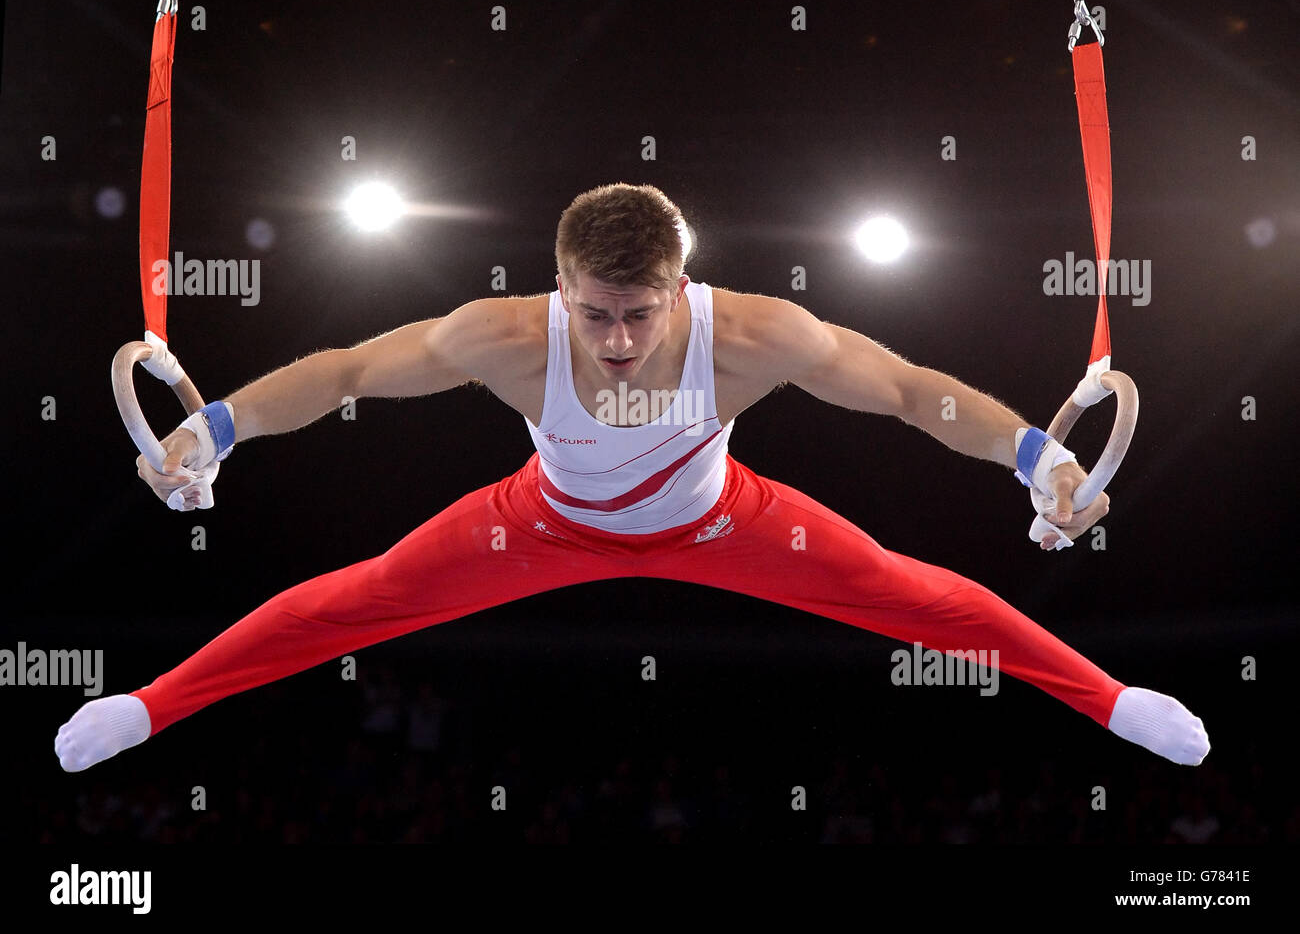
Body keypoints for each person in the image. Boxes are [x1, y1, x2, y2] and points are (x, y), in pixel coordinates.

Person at [55, 183, 1209, 773]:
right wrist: (216, 424)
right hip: (538, 522)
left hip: (725, 519)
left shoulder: (760, 333)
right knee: (355, 599)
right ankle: (149, 706)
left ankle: (1110, 701)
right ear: (557, 288)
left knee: (916, 596)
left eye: (639, 313)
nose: (614, 338)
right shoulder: (500, 334)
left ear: (681, 286)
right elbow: (349, 369)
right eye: (593, 313)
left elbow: (912, 390)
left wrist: (1036, 455)